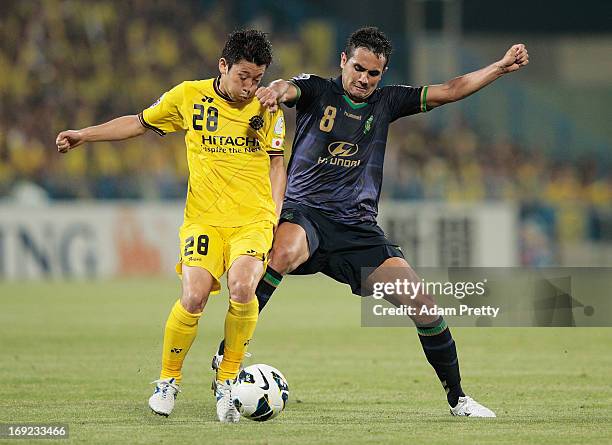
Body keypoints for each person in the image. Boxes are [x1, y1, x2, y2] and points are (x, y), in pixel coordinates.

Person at [213, 26, 529, 417]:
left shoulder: (388, 102)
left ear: (383, 73)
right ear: (343, 61)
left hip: (358, 230)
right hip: (305, 213)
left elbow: (450, 89)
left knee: (422, 302)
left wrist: (498, 67)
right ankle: (226, 360)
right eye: (358, 68)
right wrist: (273, 91)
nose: (363, 79)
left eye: (373, 73)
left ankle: (459, 400)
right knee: (284, 249)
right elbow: (286, 88)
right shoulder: (316, 89)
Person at [55, 29, 287, 423]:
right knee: (194, 296)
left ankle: (228, 382)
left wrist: (274, 215)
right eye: (243, 76)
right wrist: (85, 135)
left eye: (258, 78)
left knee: (244, 287)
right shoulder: (188, 96)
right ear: (223, 66)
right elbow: (140, 122)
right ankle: (168, 381)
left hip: (252, 219)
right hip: (203, 219)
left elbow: (277, 164)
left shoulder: (268, 110)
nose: (250, 87)